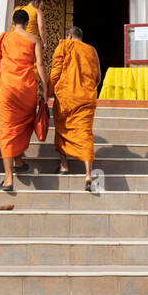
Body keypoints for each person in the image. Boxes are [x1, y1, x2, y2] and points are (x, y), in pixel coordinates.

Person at [0, 8, 49, 193]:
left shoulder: (4, 38)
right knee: (24, 125)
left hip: (7, 88)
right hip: (26, 88)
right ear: (27, 23)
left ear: (12, 21)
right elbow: (40, 64)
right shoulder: (34, 39)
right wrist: (45, 89)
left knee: (7, 129)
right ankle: (17, 160)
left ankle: (9, 177)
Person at [50, 26, 100, 191]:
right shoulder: (91, 50)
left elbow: (55, 72)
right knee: (85, 133)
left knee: (62, 129)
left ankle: (64, 166)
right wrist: (88, 88)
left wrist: (49, 92)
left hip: (66, 97)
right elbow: (98, 76)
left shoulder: (64, 45)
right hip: (86, 98)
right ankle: (88, 174)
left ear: (69, 36)